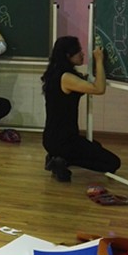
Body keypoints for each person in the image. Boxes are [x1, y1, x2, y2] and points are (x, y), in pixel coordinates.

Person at [41, 36, 120, 182]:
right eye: (78, 51)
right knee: (113, 163)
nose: (82, 54)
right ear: (68, 55)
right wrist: (99, 60)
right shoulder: (66, 78)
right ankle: (62, 161)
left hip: (53, 138)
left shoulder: (56, 73)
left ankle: (57, 157)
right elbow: (99, 89)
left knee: (96, 146)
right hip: (64, 141)